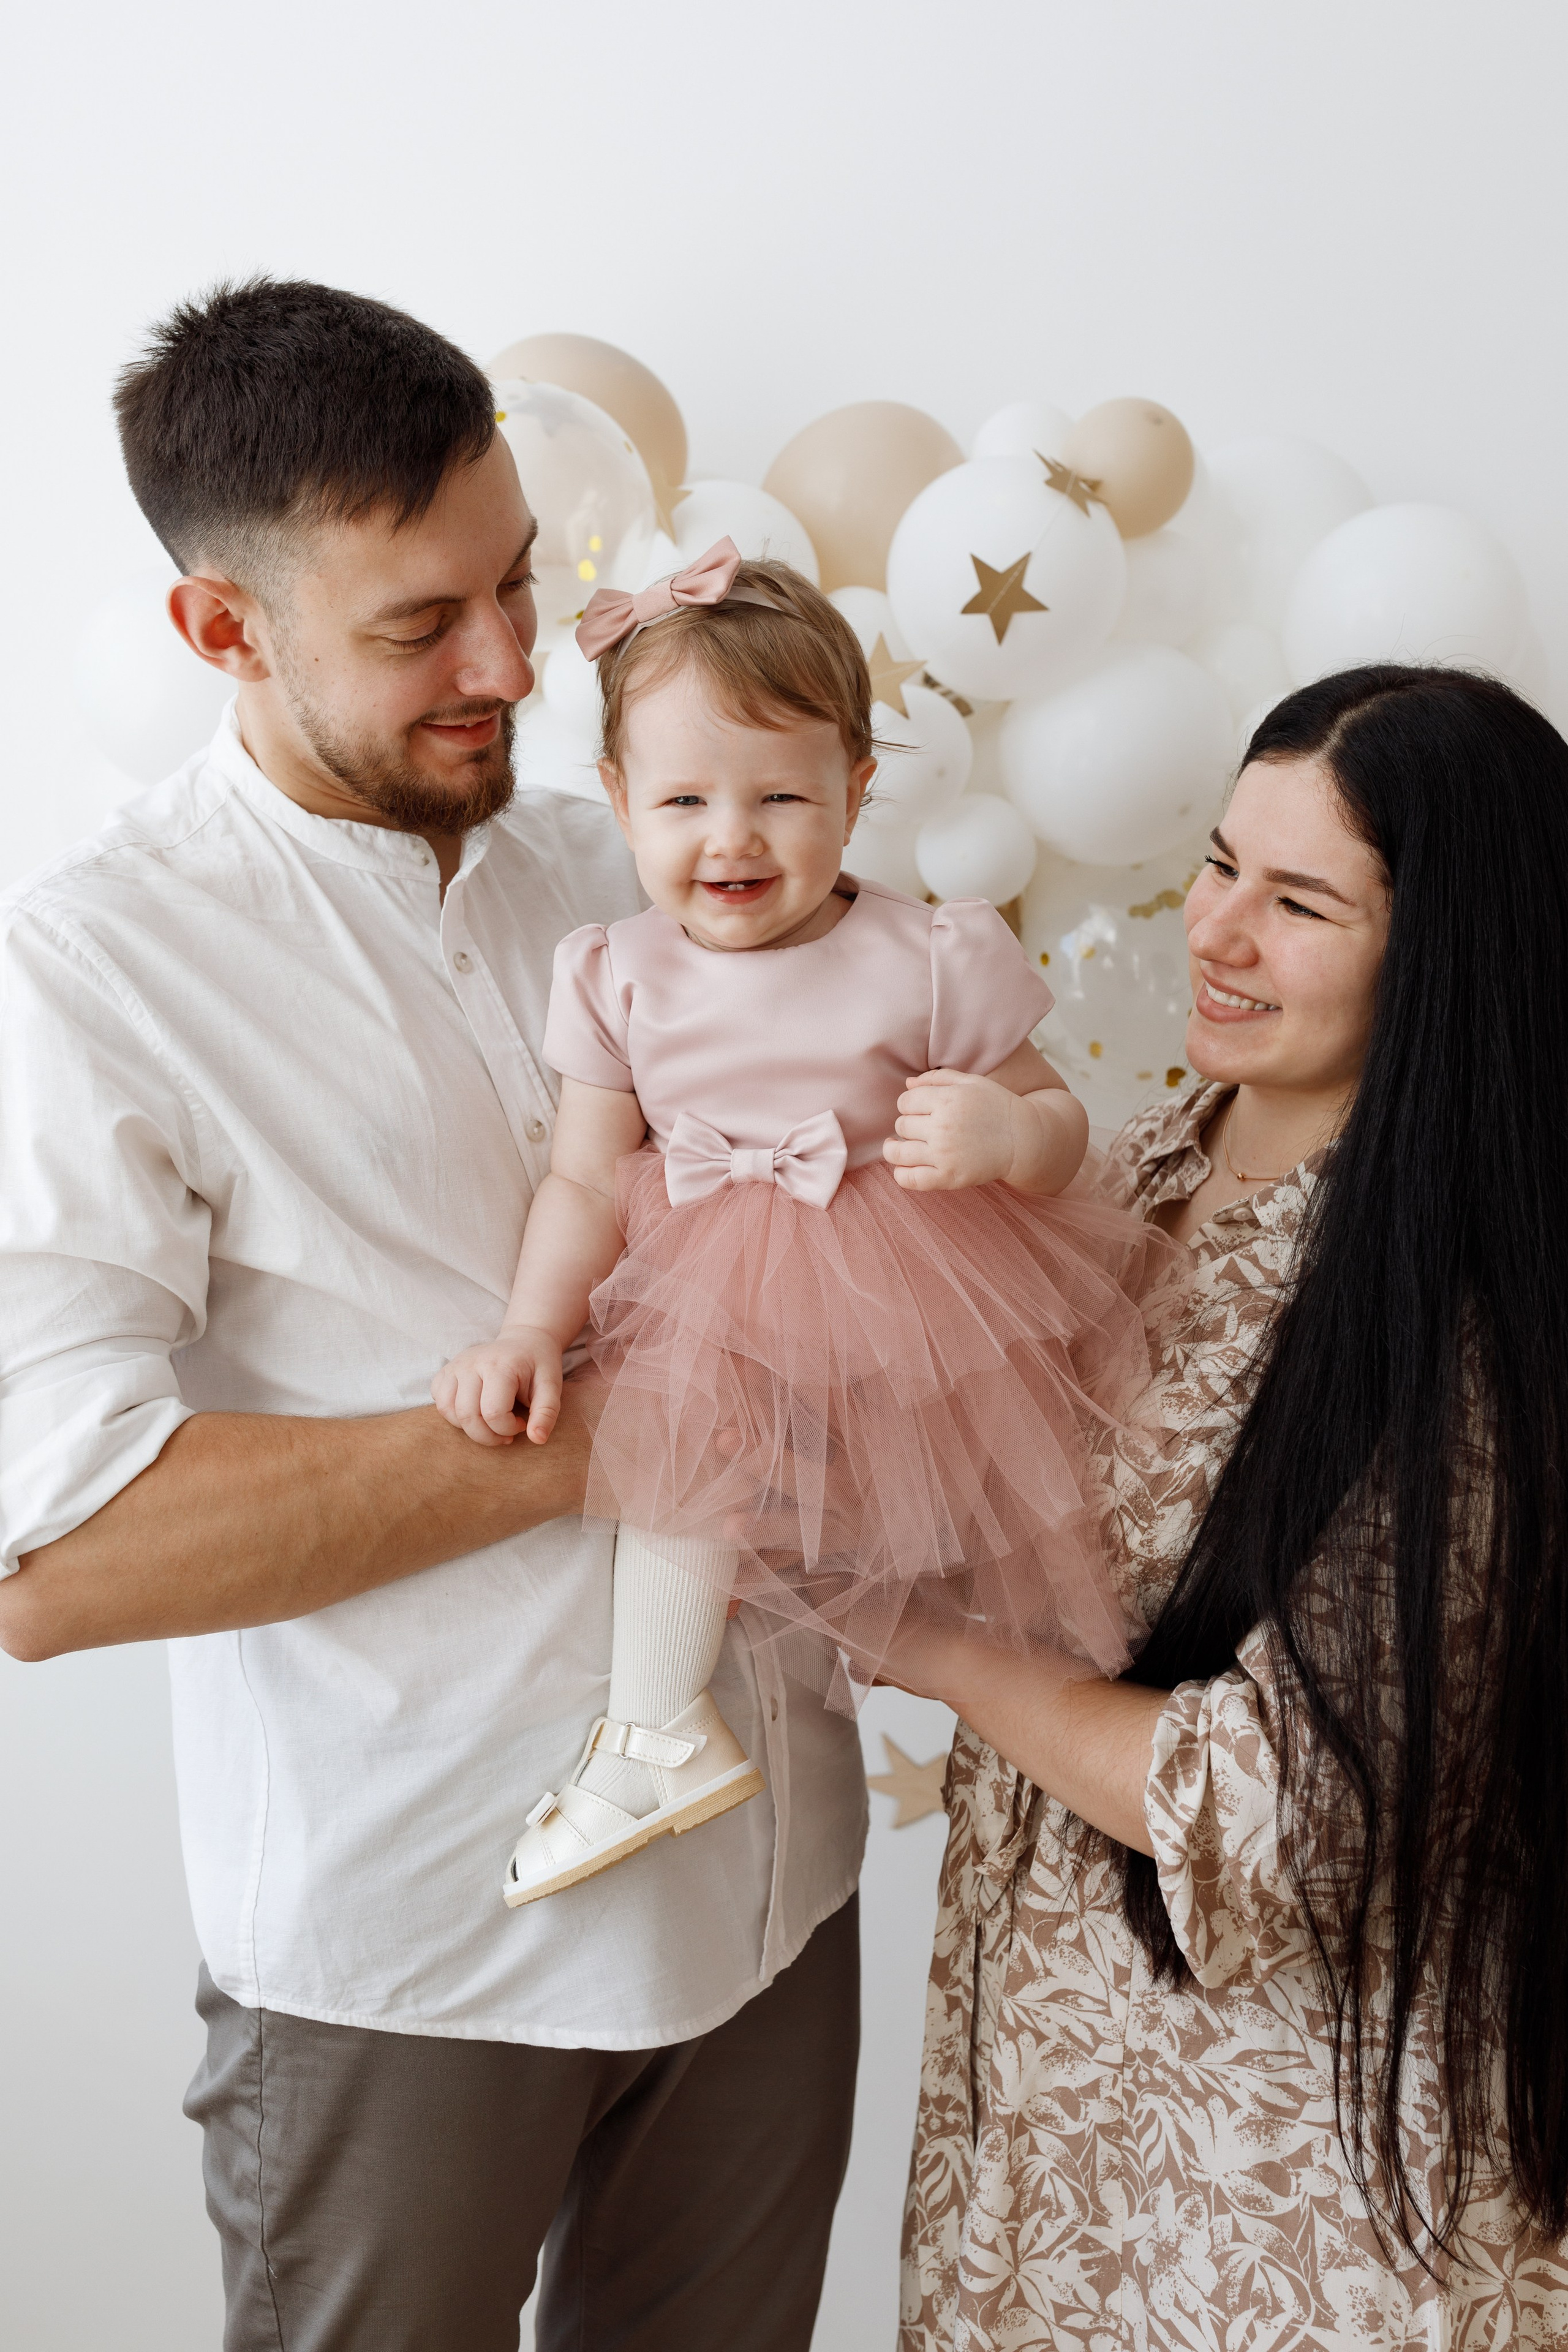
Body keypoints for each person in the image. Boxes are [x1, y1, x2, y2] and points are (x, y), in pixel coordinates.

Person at [0, 280, 868, 2352]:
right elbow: (56, 1553)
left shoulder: (640, 865)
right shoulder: (94, 970)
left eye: (518, 584)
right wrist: (614, 1442)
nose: (508, 668)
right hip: (415, 1959)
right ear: (224, 630)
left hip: (775, 1903)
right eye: (417, 627)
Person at [897, 665, 1568, 2348]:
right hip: (1054, 2129)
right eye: (1217, 864)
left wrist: (937, 1649)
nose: (1217, 930)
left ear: (1449, 953)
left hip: (1287, 2205)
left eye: (1301, 902)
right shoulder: (1128, 1171)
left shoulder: (1456, 1333)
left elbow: (1270, 1822)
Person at [434, 540, 1163, 1909]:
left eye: (782, 795)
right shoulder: (614, 972)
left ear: (856, 787)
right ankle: (656, 1725)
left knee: (1008, 1513)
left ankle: (1082, 1734)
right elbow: (588, 1180)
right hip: (714, 1278)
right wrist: (531, 1326)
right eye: (686, 800)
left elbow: (1056, 1117)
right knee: (684, 1455)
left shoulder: (928, 951)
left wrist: (1006, 1137)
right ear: (616, 801)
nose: (733, 837)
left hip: (912, 1285)